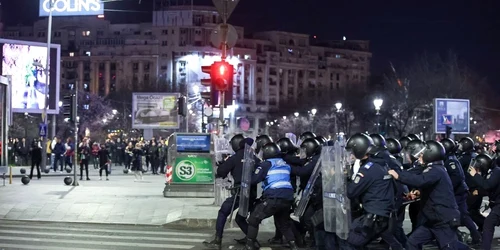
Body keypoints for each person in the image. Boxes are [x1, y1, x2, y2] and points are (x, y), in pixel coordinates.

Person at [388, 140, 461, 250]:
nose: (419, 157)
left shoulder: (436, 170)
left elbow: (421, 180)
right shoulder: (433, 169)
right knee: (412, 243)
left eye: (422, 154)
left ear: (430, 154)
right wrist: (419, 193)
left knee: (450, 247)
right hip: (433, 220)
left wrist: (398, 176)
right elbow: (433, 189)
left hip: (443, 220)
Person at [339, 133, 397, 249]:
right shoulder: (380, 164)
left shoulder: (367, 170)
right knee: (394, 243)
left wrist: (346, 177)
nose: (350, 155)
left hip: (374, 216)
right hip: (383, 214)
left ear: (359, 150)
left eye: (352, 151)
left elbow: (351, 191)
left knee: (349, 242)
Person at [203, 135, 259, 249]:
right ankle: (253, 241)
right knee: (240, 218)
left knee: (223, 212)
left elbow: (221, 172)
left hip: (239, 192)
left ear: (235, 145)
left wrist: (222, 163)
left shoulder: (235, 157)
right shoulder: (253, 157)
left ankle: (217, 240)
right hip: (252, 193)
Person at [240, 142, 298, 250]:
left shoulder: (266, 164)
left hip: (273, 198)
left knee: (253, 219)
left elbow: (254, 180)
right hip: (287, 199)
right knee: (283, 223)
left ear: (267, 152)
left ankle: (249, 246)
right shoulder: (284, 164)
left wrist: (250, 172)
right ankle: (293, 246)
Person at [441, 138, 482, 245]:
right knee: (462, 214)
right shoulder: (453, 158)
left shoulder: (451, 160)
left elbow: (457, 176)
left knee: (461, 215)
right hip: (461, 190)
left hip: (458, 191)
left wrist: (447, 188)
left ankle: (464, 236)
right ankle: (467, 235)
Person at [468, 153, 500, 250]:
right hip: (496, 204)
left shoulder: (497, 171)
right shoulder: (492, 172)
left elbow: (487, 185)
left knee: (488, 224)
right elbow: (491, 188)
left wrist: (475, 175)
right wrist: (480, 192)